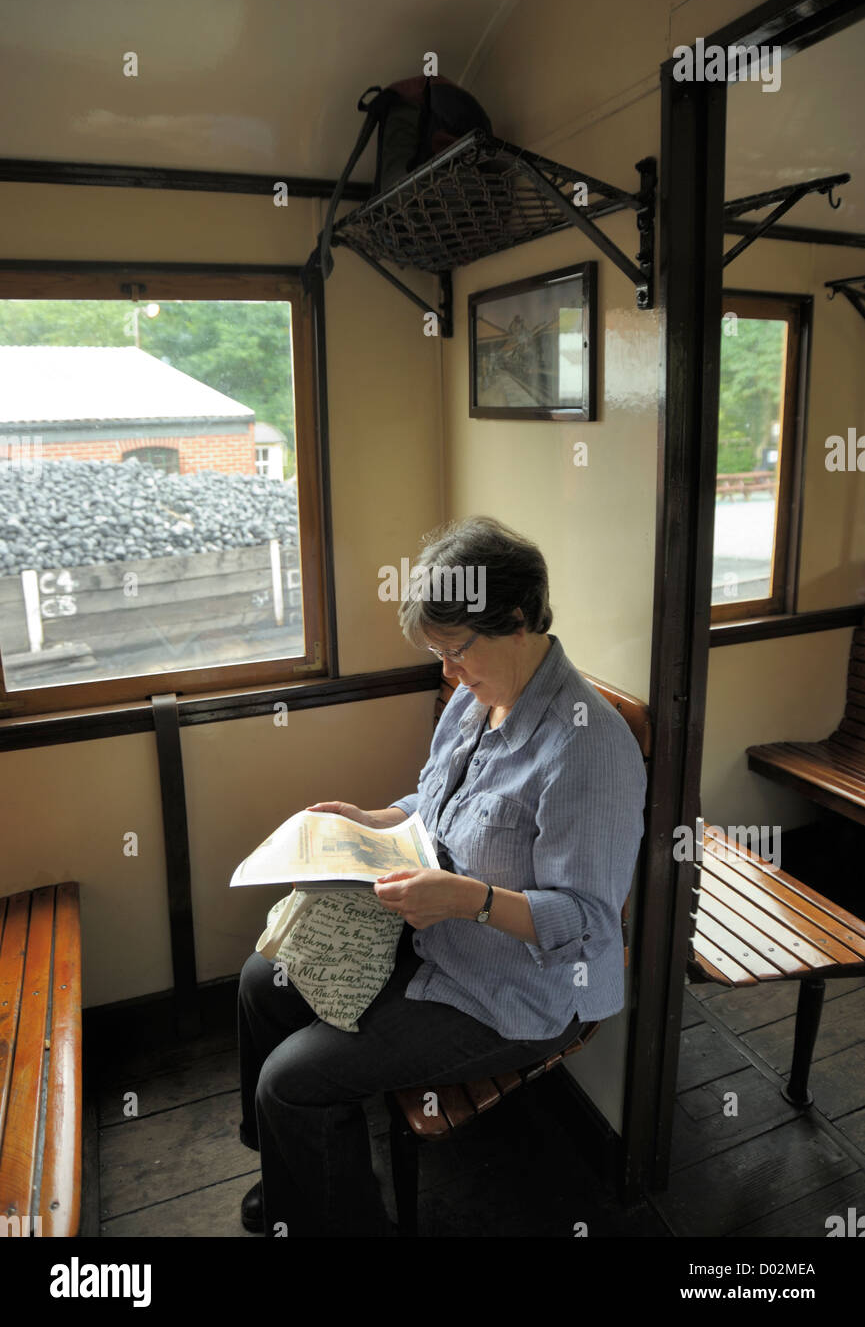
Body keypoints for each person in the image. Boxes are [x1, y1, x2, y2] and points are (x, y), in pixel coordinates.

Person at [236, 515, 647, 1237]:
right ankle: (291, 1171)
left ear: (516, 622)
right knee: (259, 983)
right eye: (438, 654)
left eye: (455, 651)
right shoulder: (476, 693)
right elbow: (437, 804)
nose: (447, 673)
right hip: (436, 935)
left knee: (291, 1083)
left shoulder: (587, 752)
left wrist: (471, 901)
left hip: (515, 990)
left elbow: (586, 925)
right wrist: (374, 819)